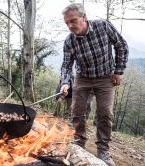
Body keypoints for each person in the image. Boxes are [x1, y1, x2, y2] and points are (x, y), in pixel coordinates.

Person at [60, 3, 128, 166]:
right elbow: (66, 65)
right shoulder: (69, 41)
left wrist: (119, 71)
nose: (70, 25)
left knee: (105, 113)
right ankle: (79, 142)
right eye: (67, 23)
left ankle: (103, 150)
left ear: (84, 17)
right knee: (77, 111)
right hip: (82, 79)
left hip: (106, 77)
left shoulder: (103, 27)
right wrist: (64, 83)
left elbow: (121, 46)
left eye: (73, 20)